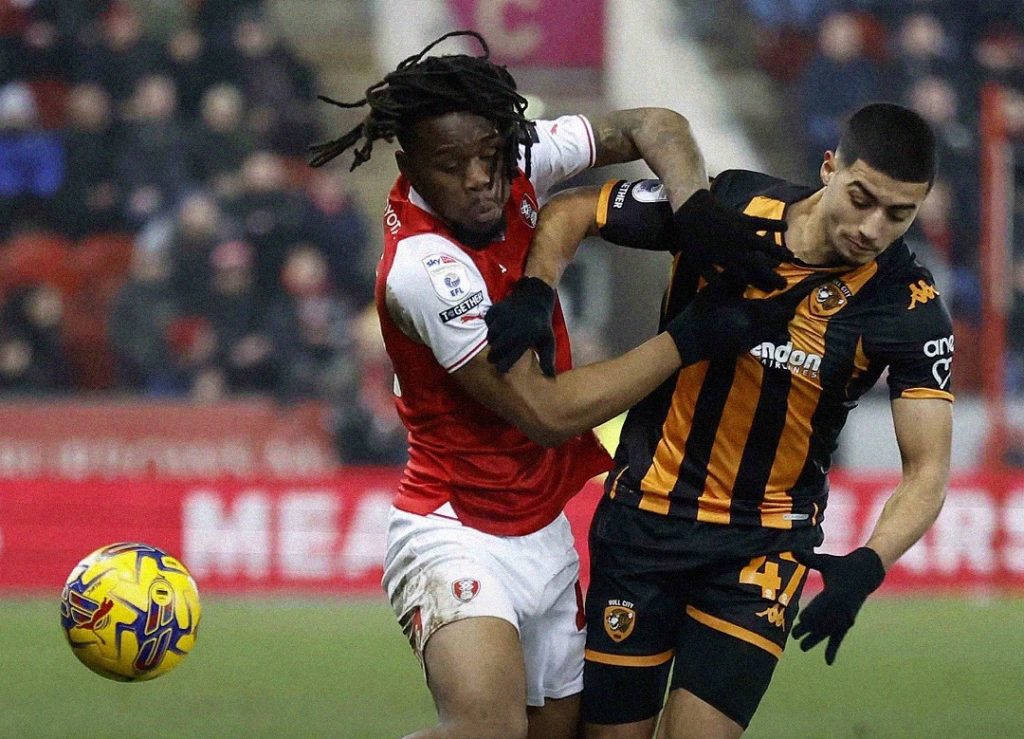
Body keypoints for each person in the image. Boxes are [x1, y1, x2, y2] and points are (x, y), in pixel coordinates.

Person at [309, 30, 792, 739]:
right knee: (487, 731)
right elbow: (545, 413)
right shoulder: (424, 268)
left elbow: (654, 123)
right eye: (452, 166)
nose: (480, 178)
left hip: (543, 530)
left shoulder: (516, 155)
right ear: (409, 165)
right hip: (456, 527)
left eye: (489, 155)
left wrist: (694, 210)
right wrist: (688, 339)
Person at [486, 102, 954, 738]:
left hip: (762, 546)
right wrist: (537, 291)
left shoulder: (909, 307)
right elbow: (574, 211)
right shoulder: (729, 207)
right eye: (861, 199)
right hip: (644, 521)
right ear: (829, 169)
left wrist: (871, 562)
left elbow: (927, 471)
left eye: (899, 214)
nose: (873, 228)